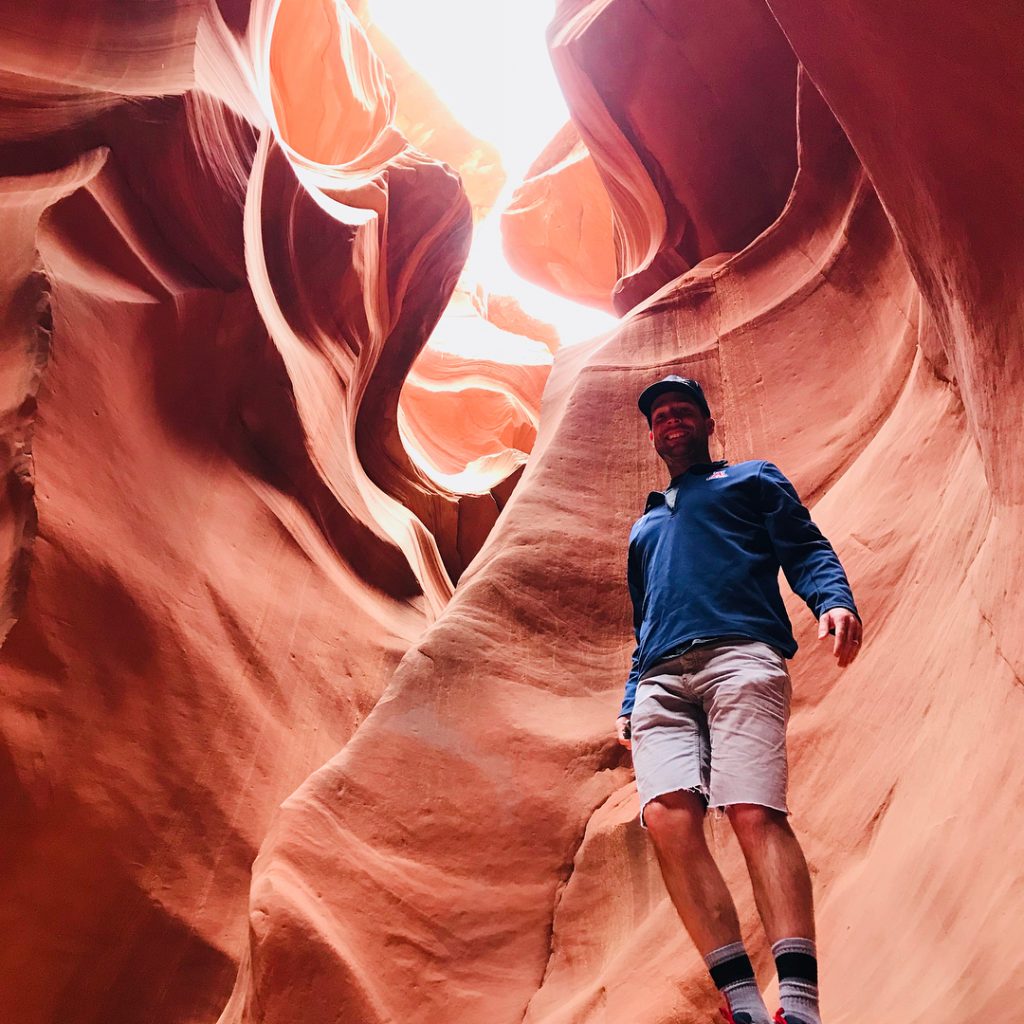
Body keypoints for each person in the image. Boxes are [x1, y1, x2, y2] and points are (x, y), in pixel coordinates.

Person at [616, 376, 862, 1024]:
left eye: (683, 412)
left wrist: (832, 600)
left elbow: (805, 547)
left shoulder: (752, 480)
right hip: (663, 683)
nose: (671, 422)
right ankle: (746, 1005)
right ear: (652, 434)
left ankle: (801, 1006)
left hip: (739, 657)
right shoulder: (644, 527)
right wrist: (629, 696)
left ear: (705, 424)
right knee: (668, 820)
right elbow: (645, 624)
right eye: (661, 416)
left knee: (752, 811)